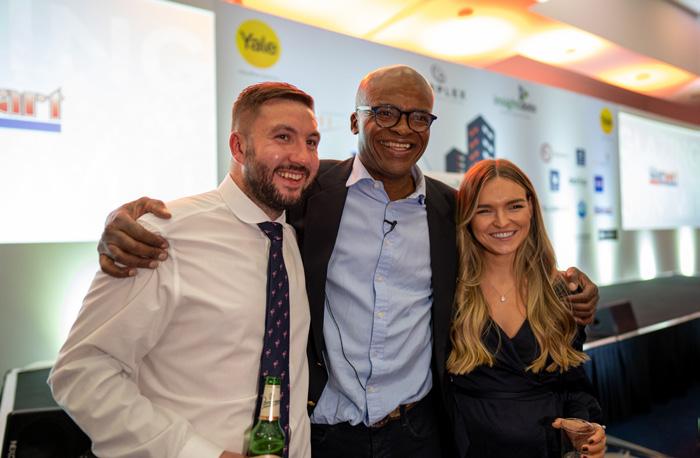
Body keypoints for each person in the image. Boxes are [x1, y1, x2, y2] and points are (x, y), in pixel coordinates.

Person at [95, 65, 600, 457]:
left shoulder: (450, 210)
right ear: (356, 120)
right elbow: (241, 203)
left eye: (418, 117)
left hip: (420, 432)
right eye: (385, 112)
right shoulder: (310, 191)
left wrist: (572, 286)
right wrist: (127, 222)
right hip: (324, 433)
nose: (402, 128)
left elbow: (505, 250)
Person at [49, 82, 321, 458]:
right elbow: (82, 371)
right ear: (238, 147)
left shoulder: (291, 233)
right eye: (283, 137)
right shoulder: (163, 234)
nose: (302, 157)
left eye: (311, 142)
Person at [448, 159, 605, 457]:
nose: (502, 221)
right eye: (484, 210)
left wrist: (583, 426)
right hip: (467, 448)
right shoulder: (449, 292)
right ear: (467, 216)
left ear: (531, 207)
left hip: (543, 447)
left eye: (514, 206)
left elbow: (573, 385)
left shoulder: (563, 293)